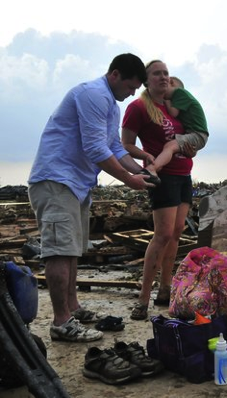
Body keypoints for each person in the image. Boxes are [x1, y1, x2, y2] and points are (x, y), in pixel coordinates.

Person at [28, 53, 151, 342]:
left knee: (71, 250)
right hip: (57, 179)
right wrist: (129, 180)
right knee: (59, 250)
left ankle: (73, 308)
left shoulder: (111, 105)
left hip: (76, 184)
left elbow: (115, 148)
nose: (133, 93)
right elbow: (96, 149)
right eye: (131, 87)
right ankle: (61, 323)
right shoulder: (93, 94)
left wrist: (143, 170)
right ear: (115, 75)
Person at [121, 60, 199, 320]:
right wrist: (147, 157)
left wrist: (191, 149)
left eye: (166, 73)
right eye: (157, 73)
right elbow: (125, 144)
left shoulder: (174, 106)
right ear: (147, 79)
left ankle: (165, 290)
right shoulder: (139, 107)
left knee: (176, 233)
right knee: (162, 234)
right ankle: (143, 299)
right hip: (161, 177)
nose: (164, 77)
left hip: (184, 175)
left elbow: (191, 139)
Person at [141, 76, 209, 181]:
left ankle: (153, 168)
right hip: (195, 135)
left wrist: (167, 99)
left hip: (198, 134)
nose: (163, 92)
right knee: (171, 146)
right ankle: (157, 166)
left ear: (171, 83)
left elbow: (173, 112)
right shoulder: (182, 102)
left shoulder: (180, 93)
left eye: (165, 88)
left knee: (170, 146)